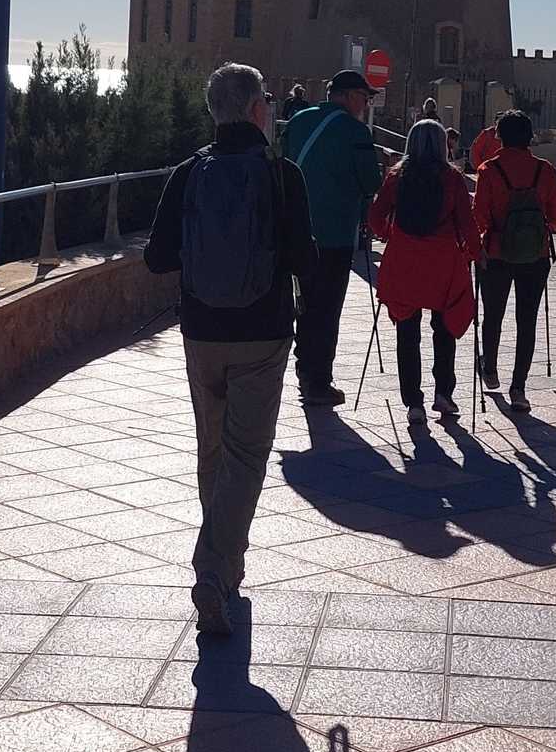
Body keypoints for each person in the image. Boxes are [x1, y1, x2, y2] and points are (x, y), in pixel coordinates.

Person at [145, 63, 316, 634]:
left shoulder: (189, 172)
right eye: (266, 98)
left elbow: (156, 257)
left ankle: (226, 570)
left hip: (200, 331)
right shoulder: (281, 174)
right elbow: (305, 262)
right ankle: (214, 573)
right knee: (245, 457)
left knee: (213, 451)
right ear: (255, 109)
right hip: (262, 333)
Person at [281, 69, 381, 404]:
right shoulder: (355, 131)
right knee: (326, 310)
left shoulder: (298, 120)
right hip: (334, 233)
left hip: (295, 231)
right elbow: (370, 184)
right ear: (350, 96)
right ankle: (317, 380)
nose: (366, 105)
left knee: (303, 304)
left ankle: (302, 370)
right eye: (364, 98)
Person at [368, 120, 478, 422]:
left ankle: (413, 402)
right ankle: (443, 393)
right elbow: (466, 222)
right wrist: (475, 253)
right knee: (444, 330)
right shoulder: (452, 178)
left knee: (407, 331)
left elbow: (376, 216)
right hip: (443, 260)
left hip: (405, 258)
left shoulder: (396, 176)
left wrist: (389, 234)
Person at [472, 109, 556, 411]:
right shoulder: (545, 170)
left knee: (493, 315)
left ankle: (490, 368)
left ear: (499, 135)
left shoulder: (489, 170)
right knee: (527, 320)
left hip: (496, 253)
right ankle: (519, 388)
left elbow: (479, 218)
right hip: (535, 256)